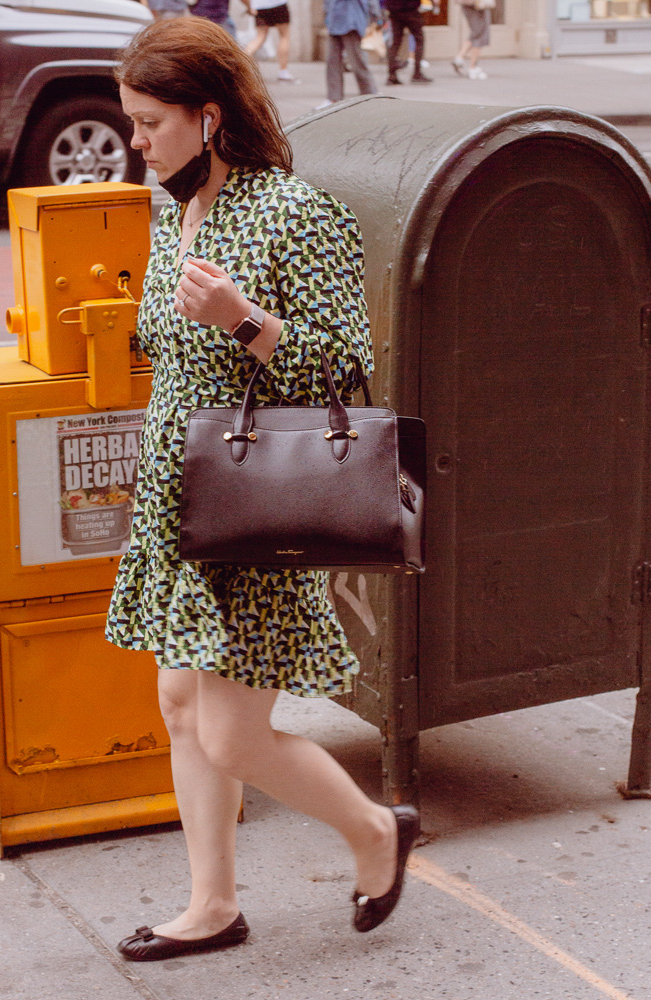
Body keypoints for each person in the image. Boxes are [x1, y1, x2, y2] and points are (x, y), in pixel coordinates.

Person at [108, 16, 420, 963]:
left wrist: (244, 319)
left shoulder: (292, 211)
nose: (135, 140)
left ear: (208, 117)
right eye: (129, 120)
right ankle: (212, 905)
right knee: (178, 703)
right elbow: (168, 342)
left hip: (254, 506)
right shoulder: (173, 206)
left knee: (235, 735)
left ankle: (375, 831)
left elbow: (346, 364)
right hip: (182, 500)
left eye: (149, 121)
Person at [320, 0, 382, 107]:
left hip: (351, 20)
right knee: (332, 62)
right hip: (334, 20)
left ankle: (370, 93)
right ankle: (334, 98)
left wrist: (375, 15)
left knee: (357, 61)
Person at [244, 0, 299, 81]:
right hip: (278, 4)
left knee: (260, 37)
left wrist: (250, 6)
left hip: (260, 6)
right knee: (284, 36)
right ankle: (283, 72)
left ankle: (242, 61)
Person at [384, 0, 432, 84]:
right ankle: (417, 73)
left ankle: (392, 75)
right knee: (419, 40)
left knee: (396, 42)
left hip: (394, 10)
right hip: (410, 9)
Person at [452, 0, 492, 80]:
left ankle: (460, 58)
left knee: (476, 32)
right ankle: (472, 67)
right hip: (477, 4)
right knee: (479, 35)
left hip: (468, 4)